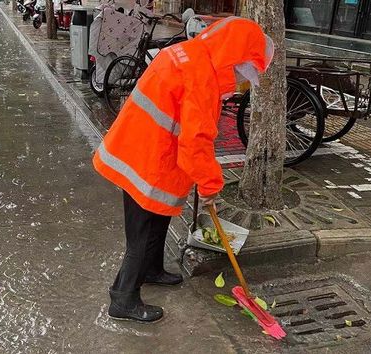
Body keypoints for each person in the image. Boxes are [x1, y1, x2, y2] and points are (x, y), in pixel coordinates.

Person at [93, 16, 274, 323]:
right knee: (141, 231)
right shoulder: (201, 75)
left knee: (158, 217)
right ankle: (122, 298)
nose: (240, 78)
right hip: (144, 157)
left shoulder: (189, 52)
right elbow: (196, 141)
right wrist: (210, 186)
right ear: (233, 54)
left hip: (142, 146)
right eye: (241, 69)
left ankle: (151, 269)